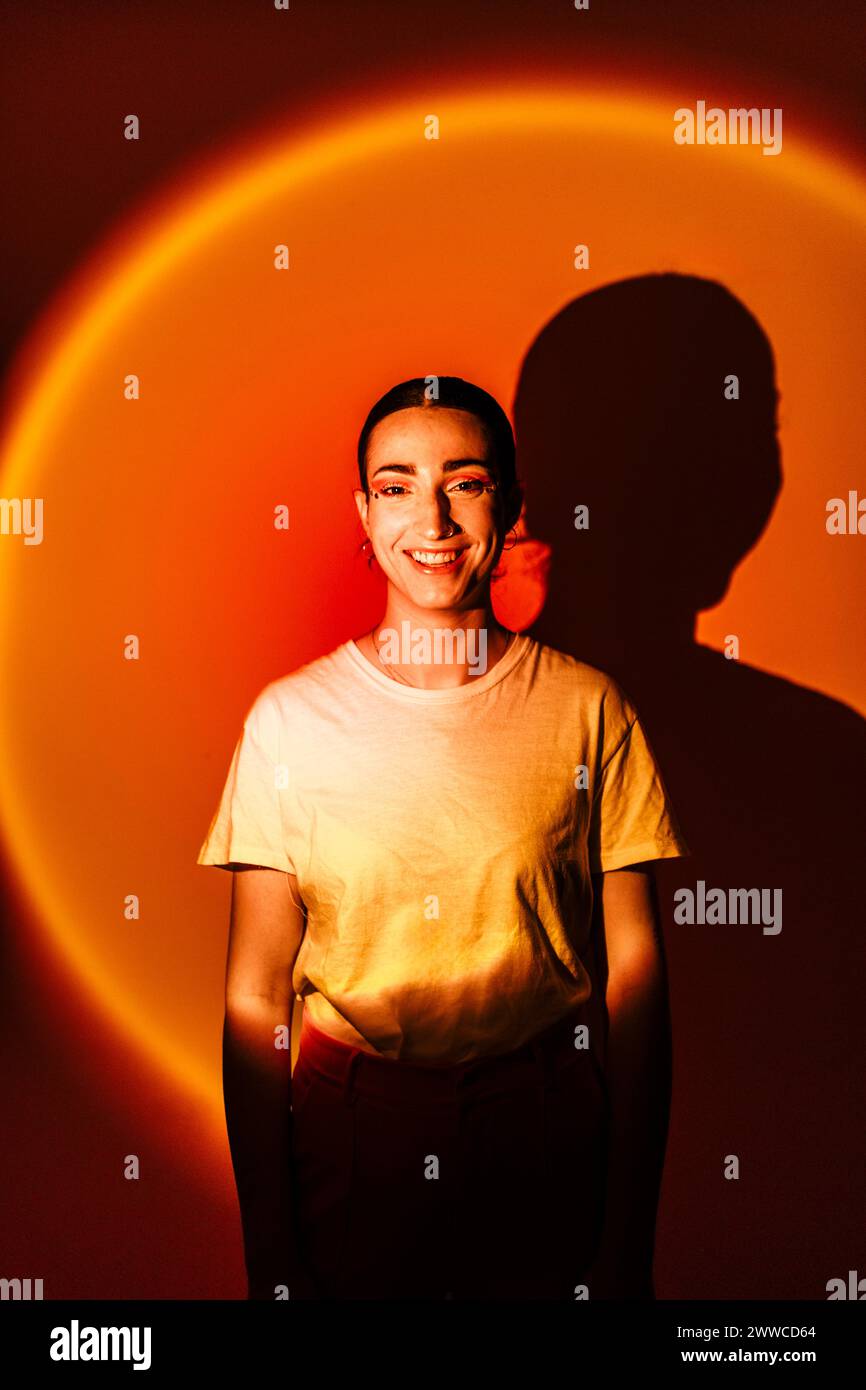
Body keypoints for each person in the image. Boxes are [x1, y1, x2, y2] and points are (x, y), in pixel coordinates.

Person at [197, 376, 690, 1301]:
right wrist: (268, 1255)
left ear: (509, 501)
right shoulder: (289, 724)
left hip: (546, 1142)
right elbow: (256, 994)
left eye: (464, 480)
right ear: (364, 509)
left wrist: (628, 1240)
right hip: (351, 1152)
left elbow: (637, 978)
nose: (433, 515)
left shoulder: (589, 709)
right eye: (397, 485)